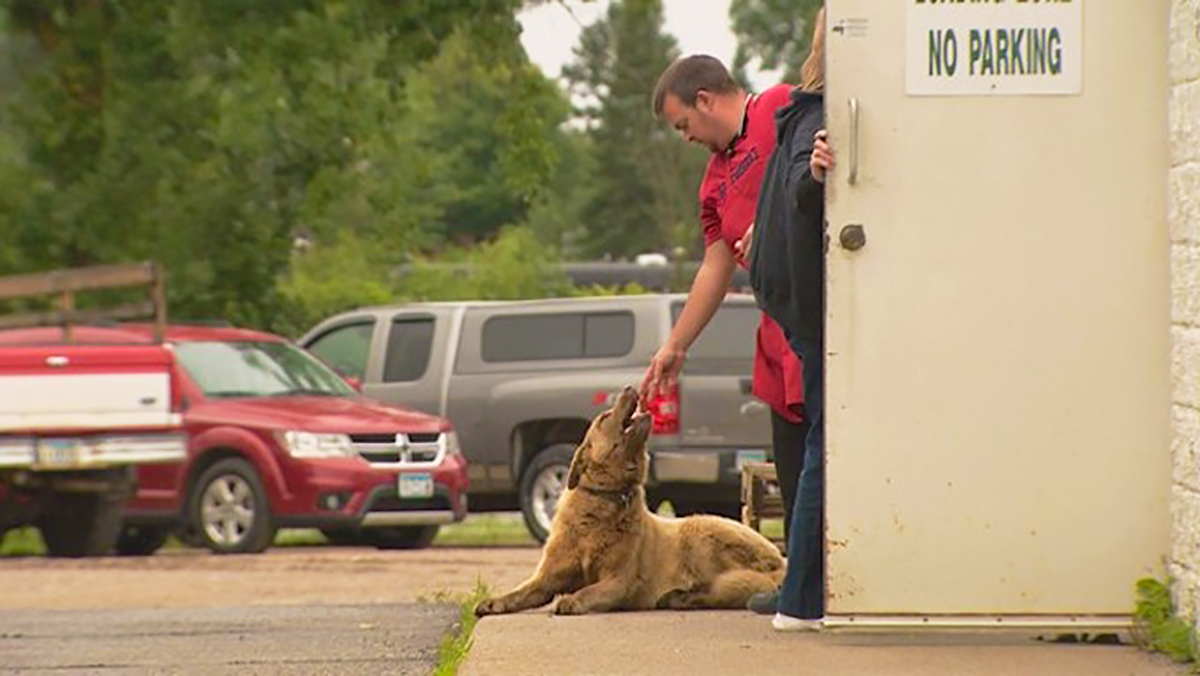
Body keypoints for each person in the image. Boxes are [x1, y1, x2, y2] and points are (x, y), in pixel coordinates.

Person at [640, 55, 807, 551]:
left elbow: (824, 175)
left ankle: (825, 577)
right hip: (775, 326)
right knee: (791, 457)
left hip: (815, 318)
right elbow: (716, 266)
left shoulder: (780, 108)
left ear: (706, 100)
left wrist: (776, 221)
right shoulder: (714, 181)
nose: (685, 137)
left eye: (684, 124)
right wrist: (675, 346)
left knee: (823, 451)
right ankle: (798, 575)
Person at [745, 7, 830, 631]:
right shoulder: (818, 117)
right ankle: (800, 597)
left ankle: (803, 594)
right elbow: (804, 181)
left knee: (822, 445)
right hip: (811, 310)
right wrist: (819, 175)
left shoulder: (795, 111)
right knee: (824, 448)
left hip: (791, 304)